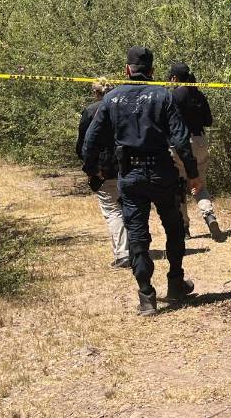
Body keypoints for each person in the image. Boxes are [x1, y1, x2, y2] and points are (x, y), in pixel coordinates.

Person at [83, 47, 202, 316]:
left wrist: (91, 170)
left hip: (130, 175)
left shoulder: (111, 99)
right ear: (152, 71)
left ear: (127, 70)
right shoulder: (163, 96)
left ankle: (146, 295)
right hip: (162, 172)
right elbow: (181, 139)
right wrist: (192, 173)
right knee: (173, 228)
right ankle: (175, 281)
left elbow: (91, 139)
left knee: (137, 234)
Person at [166, 62, 224, 242]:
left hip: (179, 144)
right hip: (200, 142)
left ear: (174, 78)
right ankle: (209, 215)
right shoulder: (198, 94)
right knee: (198, 184)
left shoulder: (173, 96)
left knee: (179, 187)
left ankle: (184, 228)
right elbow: (209, 121)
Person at [75, 78, 129, 268]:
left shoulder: (91, 111)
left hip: (104, 168)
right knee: (127, 207)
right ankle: (135, 248)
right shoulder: (125, 108)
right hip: (128, 164)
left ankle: (123, 254)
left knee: (113, 211)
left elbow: (83, 144)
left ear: (95, 93)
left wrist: (91, 168)